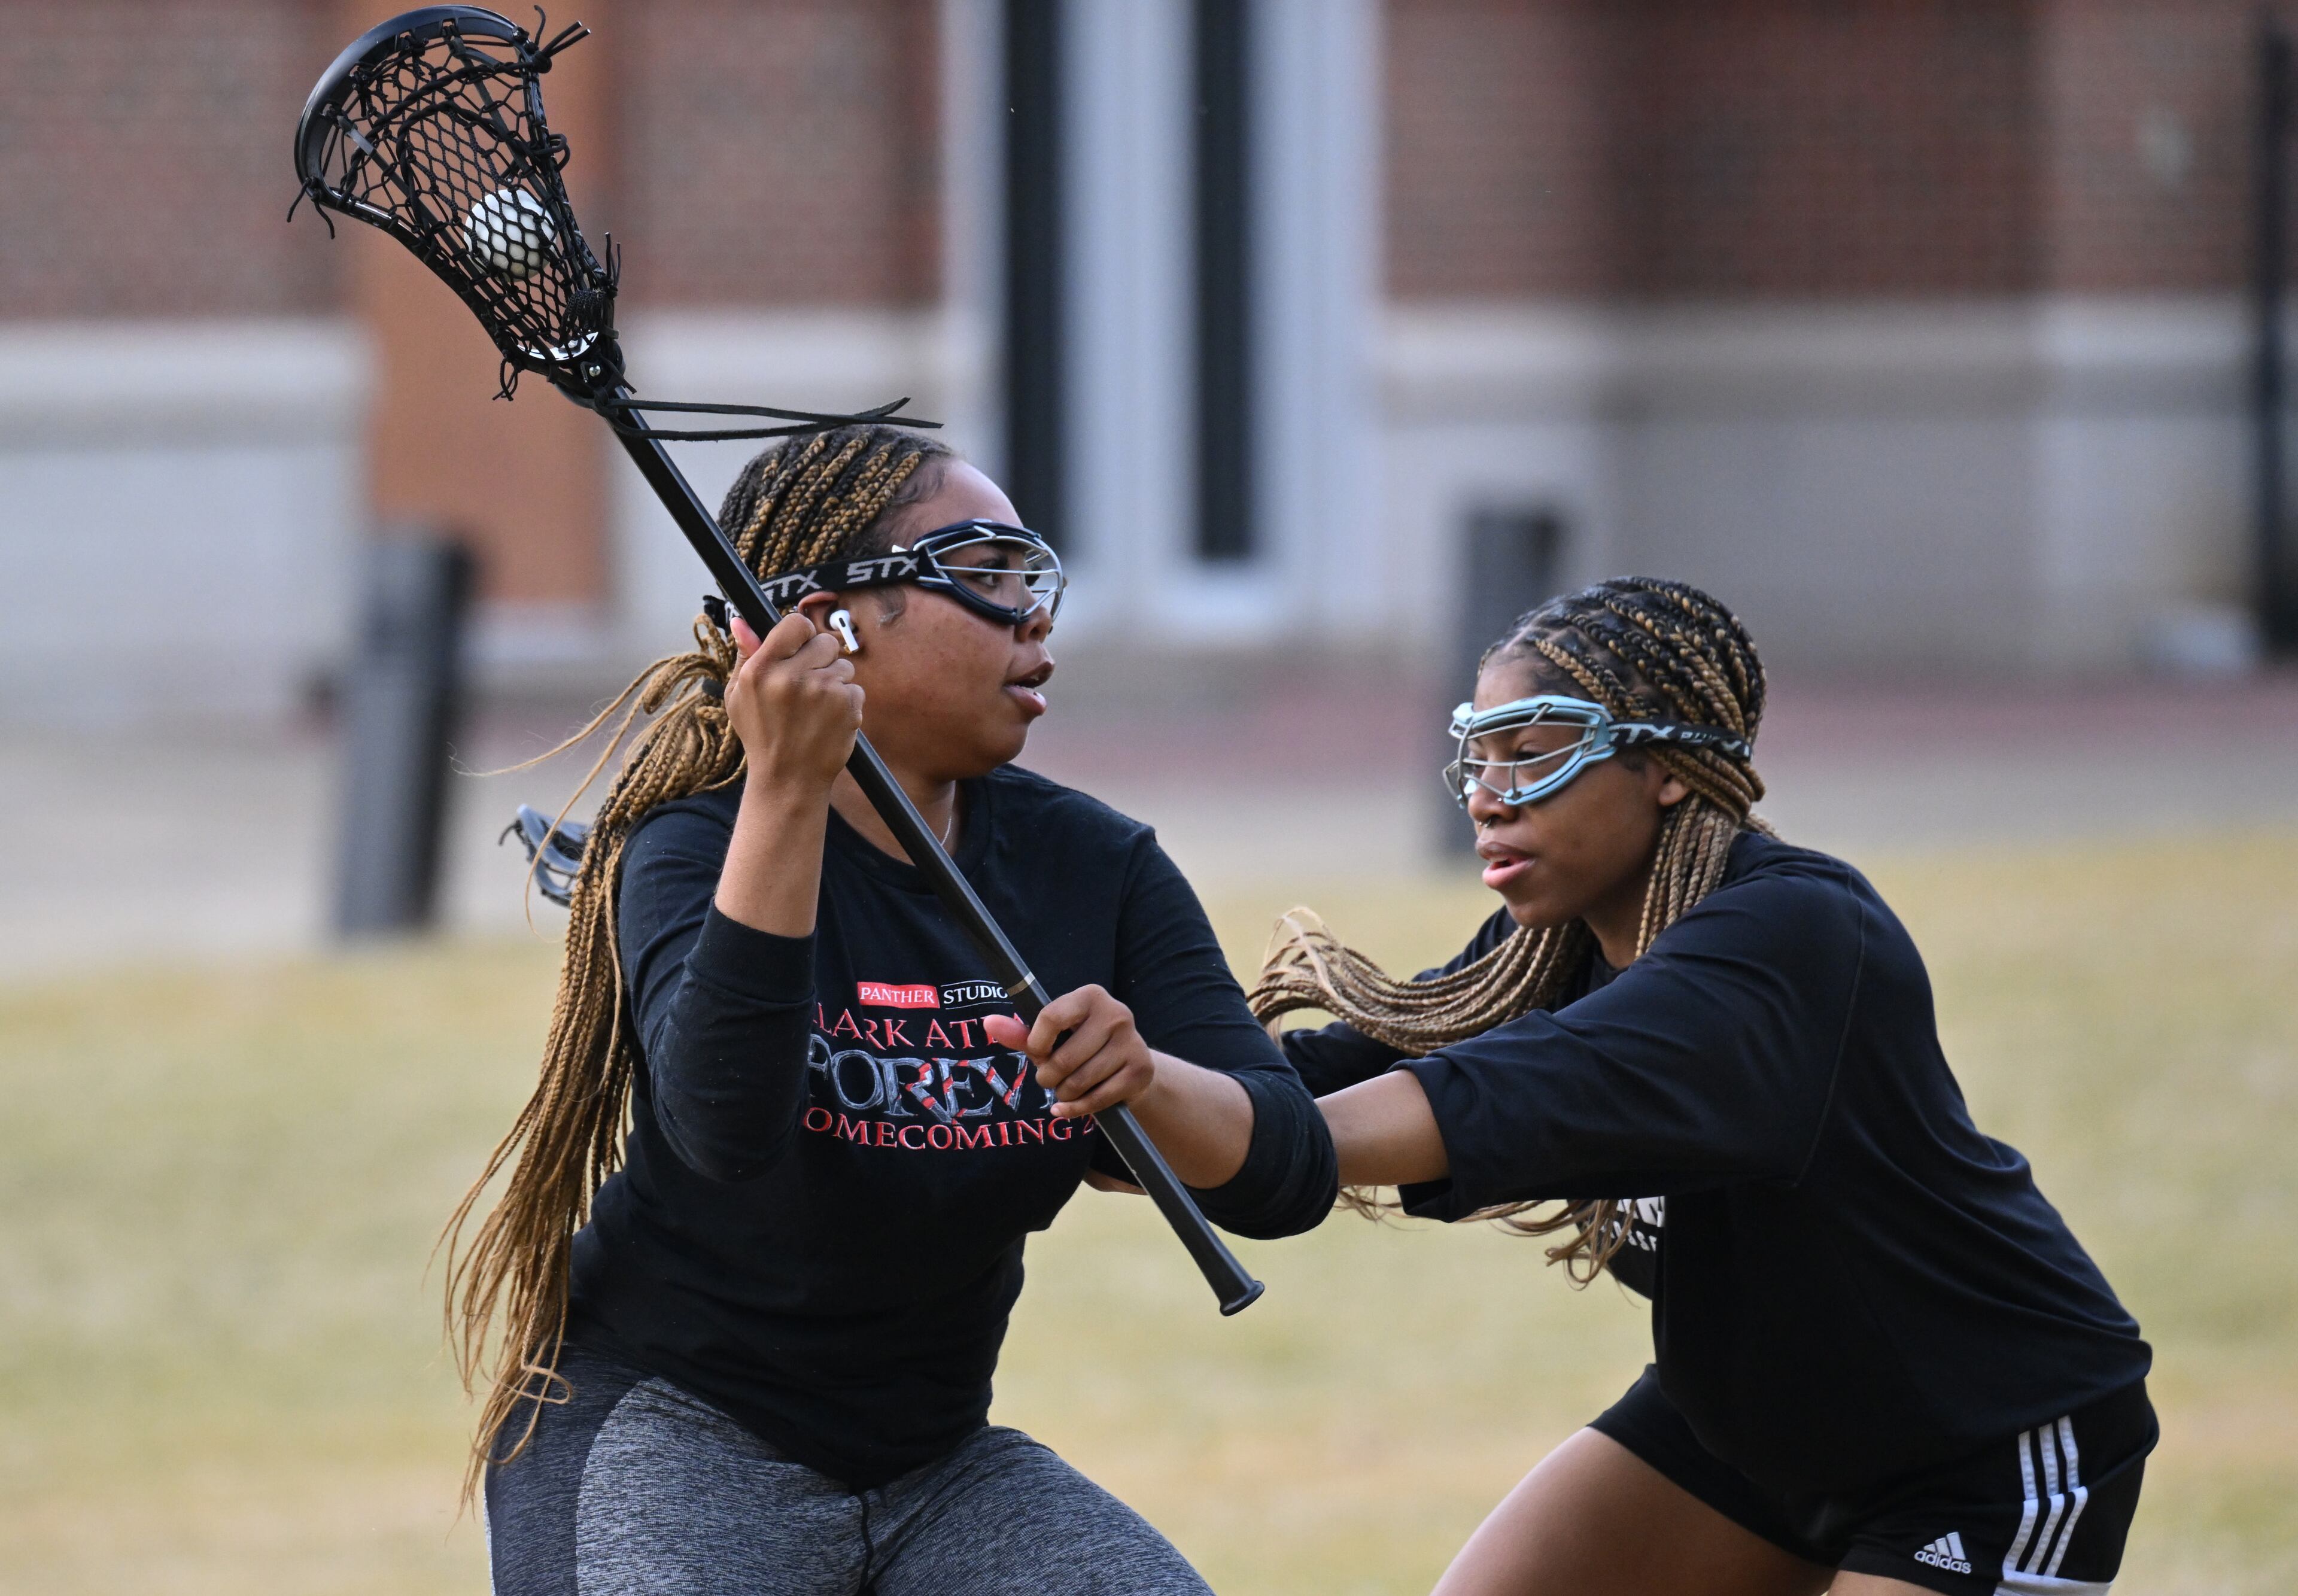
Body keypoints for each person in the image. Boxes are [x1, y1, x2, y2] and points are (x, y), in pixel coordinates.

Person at [446, 423, 1337, 1595]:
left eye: (1039, 577)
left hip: (938, 1467)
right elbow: (723, 1124)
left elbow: (1287, 1173)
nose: (1036, 617)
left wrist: (1146, 1080)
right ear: (828, 622)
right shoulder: (693, 845)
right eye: (986, 573)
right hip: (674, 1431)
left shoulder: (1094, 865)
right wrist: (786, 787)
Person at [1243, 577, 2154, 1596]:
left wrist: (1247, 1138)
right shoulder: (1548, 946)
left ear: (1667, 767)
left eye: (1534, 754)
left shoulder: (1793, 934)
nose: (1488, 797)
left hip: (1982, 1446)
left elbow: (1500, 1092)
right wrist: (1089, 1087)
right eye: (1478, 759)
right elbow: (1339, 1068)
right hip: (1748, 1424)